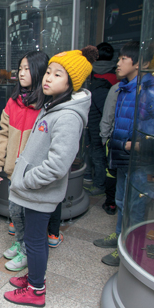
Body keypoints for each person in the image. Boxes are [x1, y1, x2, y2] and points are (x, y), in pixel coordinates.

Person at [3, 46, 97, 307]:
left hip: (39, 192)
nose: (47, 78)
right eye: (48, 73)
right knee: (35, 241)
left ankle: (36, 290)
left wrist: (25, 180)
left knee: (34, 241)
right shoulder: (53, 106)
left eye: (57, 75)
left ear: (70, 83)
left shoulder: (67, 116)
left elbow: (57, 165)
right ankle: (35, 277)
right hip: (36, 191)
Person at [0, 51, 49, 272]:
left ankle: (27, 250)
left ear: (40, 72)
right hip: (14, 171)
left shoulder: (47, 105)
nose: (22, 73)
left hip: (33, 174)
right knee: (15, 212)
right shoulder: (13, 102)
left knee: (29, 215)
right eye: (20, 69)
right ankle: (21, 242)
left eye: (27, 69)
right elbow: (3, 135)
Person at [93, 41, 144, 267]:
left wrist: (140, 144)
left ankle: (130, 249)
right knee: (122, 200)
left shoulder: (146, 90)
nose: (118, 63)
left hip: (139, 160)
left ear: (140, 63)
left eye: (124, 59)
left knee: (136, 206)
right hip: (123, 156)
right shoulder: (123, 88)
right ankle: (119, 238)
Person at [84, 42, 120, 196]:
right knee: (96, 154)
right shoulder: (115, 77)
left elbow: (106, 110)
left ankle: (100, 184)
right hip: (102, 124)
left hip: (99, 126)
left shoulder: (99, 83)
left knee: (97, 155)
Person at [99, 75, 120, 215]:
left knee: (112, 172)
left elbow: (108, 115)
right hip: (122, 140)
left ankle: (111, 203)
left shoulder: (117, 89)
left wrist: (104, 137)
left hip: (115, 139)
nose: (118, 64)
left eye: (123, 59)